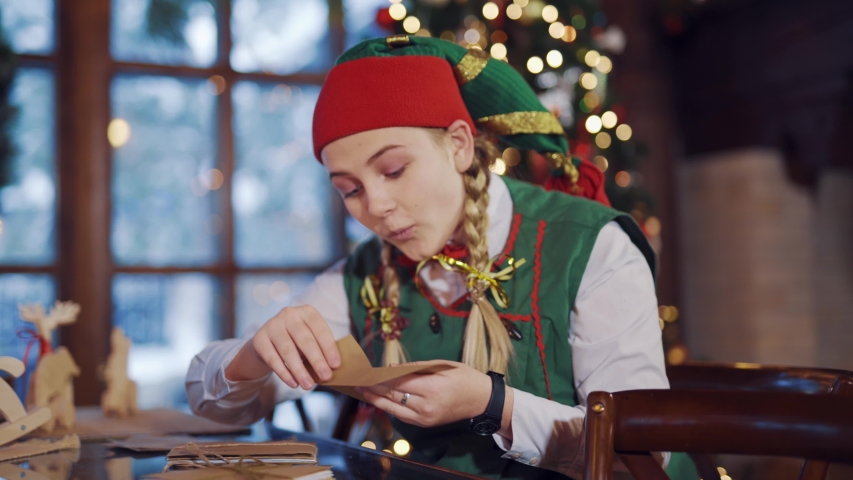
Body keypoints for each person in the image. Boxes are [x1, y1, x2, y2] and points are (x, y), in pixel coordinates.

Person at [186, 35, 698, 480]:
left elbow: (640, 450)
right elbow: (213, 404)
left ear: (458, 145)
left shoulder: (591, 244)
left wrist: (493, 405)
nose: (376, 208)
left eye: (393, 170)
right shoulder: (367, 271)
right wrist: (254, 353)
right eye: (349, 189)